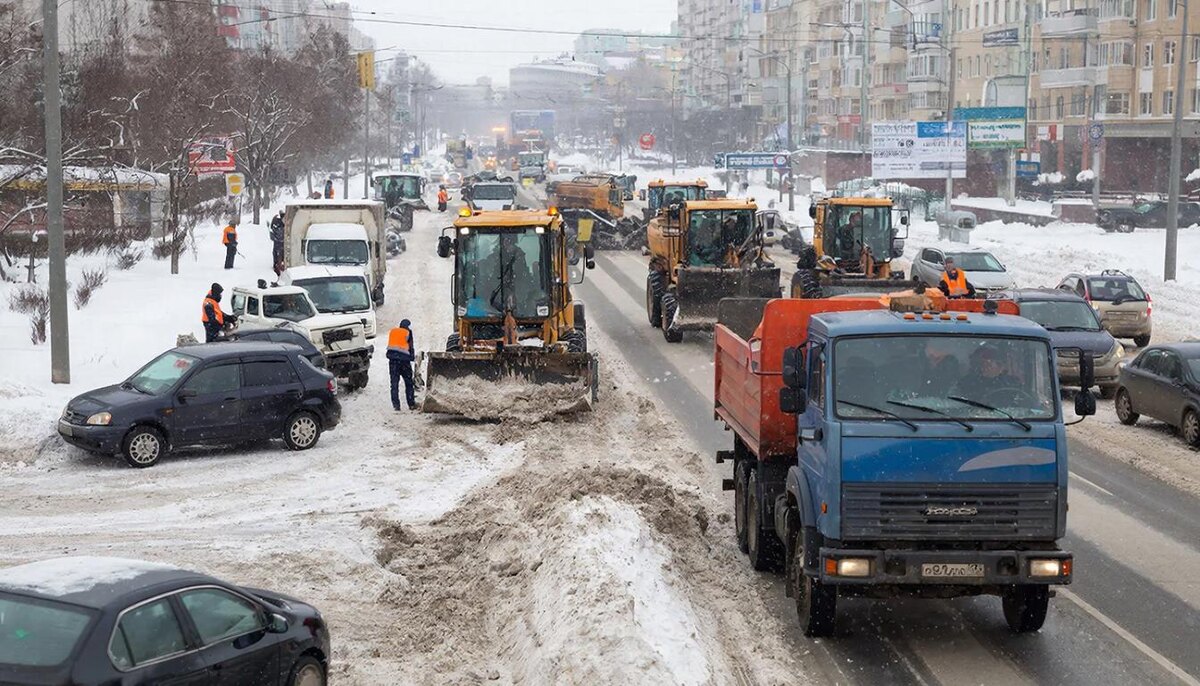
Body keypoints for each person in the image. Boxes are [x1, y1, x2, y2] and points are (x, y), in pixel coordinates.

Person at [955, 345, 1021, 398]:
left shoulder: (1012, 383)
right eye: (982, 363)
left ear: (1001, 366)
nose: (985, 367)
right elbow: (957, 401)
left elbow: (1023, 402)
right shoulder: (966, 382)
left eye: (989, 364)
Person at [387, 319, 417, 410]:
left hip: (393, 360)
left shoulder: (393, 331)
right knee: (408, 383)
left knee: (394, 383)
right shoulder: (408, 332)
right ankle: (411, 404)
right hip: (404, 361)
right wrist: (412, 357)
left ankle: (396, 405)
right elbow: (410, 346)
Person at [269, 210, 285, 276]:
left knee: (278, 254)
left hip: (279, 242)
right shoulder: (277, 222)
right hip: (279, 242)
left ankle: (277, 266)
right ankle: (277, 267)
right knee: (278, 254)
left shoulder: (276, 222)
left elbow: (272, 230)